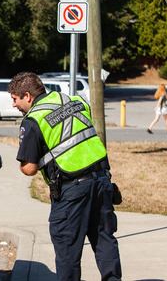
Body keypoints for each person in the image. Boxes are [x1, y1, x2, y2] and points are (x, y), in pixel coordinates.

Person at [8, 72, 121, 281]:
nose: (14, 105)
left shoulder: (33, 119)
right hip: (102, 180)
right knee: (104, 239)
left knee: (67, 248)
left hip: (72, 190)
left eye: (15, 99)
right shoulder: (74, 100)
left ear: (27, 96)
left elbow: (29, 168)